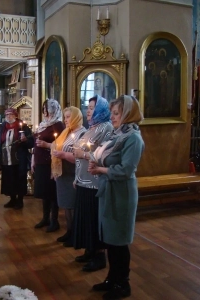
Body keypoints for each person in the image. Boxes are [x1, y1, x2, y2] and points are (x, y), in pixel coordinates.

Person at [88, 95, 144, 300]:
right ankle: (112, 278)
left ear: (128, 114)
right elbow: (104, 155)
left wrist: (101, 169)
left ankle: (123, 284)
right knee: (111, 240)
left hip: (121, 194)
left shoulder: (133, 138)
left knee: (119, 242)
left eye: (116, 113)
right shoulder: (117, 134)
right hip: (109, 190)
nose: (112, 117)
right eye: (111, 113)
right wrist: (94, 161)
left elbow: (125, 170)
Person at [72, 95, 113, 272]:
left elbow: (103, 155)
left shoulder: (107, 128)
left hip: (94, 181)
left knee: (94, 219)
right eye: (87, 108)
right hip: (83, 179)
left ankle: (99, 256)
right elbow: (78, 150)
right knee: (86, 218)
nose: (88, 111)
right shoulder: (92, 128)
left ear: (101, 110)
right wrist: (76, 177)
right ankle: (89, 250)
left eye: (92, 108)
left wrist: (84, 154)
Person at [51, 106, 86, 246]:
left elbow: (80, 157)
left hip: (73, 173)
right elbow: (56, 146)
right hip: (62, 173)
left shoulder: (82, 133)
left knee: (72, 205)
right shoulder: (67, 132)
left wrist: (63, 155)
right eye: (64, 117)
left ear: (76, 117)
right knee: (66, 205)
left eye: (68, 117)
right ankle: (69, 231)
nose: (65, 120)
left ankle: (75, 234)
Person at [32, 99, 64, 232]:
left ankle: (54, 220)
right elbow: (36, 141)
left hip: (51, 163)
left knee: (51, 193)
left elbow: (61, 145)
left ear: (54, 110)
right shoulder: (43, 124)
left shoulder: (58, 125)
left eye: (47, 109)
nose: (45, 112)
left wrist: (47, 145)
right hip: (40, 162)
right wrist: (33, 158)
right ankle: (45, 218)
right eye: (43, 109)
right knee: (44, 192)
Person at [0, 108, 34, 210]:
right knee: (9, 179)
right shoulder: (3, 126)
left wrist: (25, 140)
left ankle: (20, 200)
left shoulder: (23, 126)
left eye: (11, 114)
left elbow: (31, 143)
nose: (8, 116)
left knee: (19, 178)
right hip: (6, 158)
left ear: (15, 115)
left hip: (19, 158)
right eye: (7, 114)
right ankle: (12, 199)